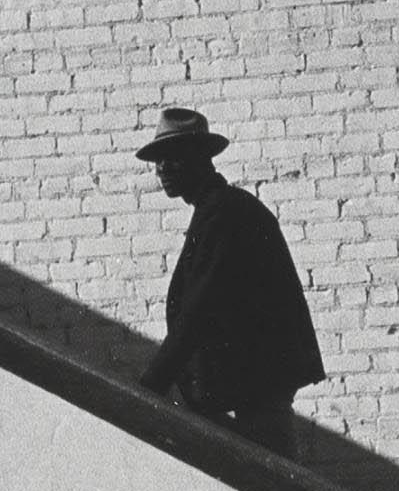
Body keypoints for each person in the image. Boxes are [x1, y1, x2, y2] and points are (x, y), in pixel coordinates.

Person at [134, 107, 326, 456]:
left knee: (275, 489)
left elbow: (199, 307)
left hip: (254, 388)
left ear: (200, 157)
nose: (162, 168)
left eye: (172, 157)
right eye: (158, 160)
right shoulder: (219, 210)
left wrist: (150, 386)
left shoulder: (223, 213)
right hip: (251, 387)